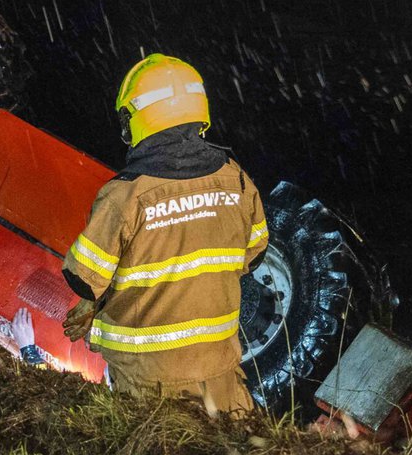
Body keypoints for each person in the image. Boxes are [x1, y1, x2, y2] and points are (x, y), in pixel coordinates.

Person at [60, 53, 268, 416]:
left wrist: (93, 303)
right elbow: (253, 255)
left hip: (147, 381)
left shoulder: (125, 196)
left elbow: (83, 278)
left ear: (136, 119)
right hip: (220, 372)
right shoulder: (237, 180)